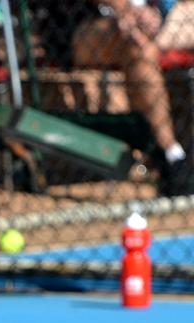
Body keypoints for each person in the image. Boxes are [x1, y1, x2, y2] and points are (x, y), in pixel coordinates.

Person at [31, 0, 194, 195]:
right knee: (138, 44)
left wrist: (156, 12)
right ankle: (172, 155)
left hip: (160, 17)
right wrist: (125, 9)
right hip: (90, 24)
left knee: (145, 33)